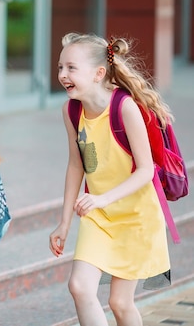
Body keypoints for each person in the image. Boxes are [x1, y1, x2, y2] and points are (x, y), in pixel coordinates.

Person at [49, 33, 171, 325]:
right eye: (60, 67)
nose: (63, 75)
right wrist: (64, 222)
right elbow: (75, 165)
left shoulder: (125, 107)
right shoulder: (72, 110)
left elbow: (146, 170)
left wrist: (102, 197)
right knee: (79, 287)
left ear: (99, 73)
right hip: (99, 216)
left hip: (135, 215)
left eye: (71, 68)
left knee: (119, 302)